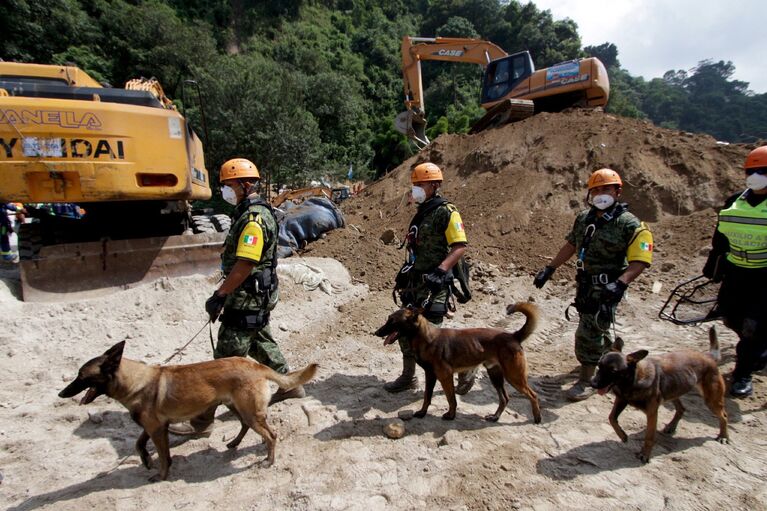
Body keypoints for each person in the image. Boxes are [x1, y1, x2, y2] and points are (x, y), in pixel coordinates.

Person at [170, 158, 302, 436]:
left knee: (222, 366)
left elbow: (245, 263)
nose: (225, 191)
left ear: (245, 185)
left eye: (229, 185)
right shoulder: (251, 212)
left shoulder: (253, 219)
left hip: (246, 296)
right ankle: (291, 385)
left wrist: (220, 294)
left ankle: (201, 421)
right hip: (257, 294)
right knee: (260, 338)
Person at [533, 168, 653, 401]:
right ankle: (613, 363)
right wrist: (550, 268)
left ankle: (587, 379)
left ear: (618, 192)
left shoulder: (629, 224)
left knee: (588, 332)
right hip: (586, 284)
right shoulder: (585, 219)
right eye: (595, 190)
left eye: (606, 189)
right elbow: (571, 245)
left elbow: (641, 259)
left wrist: (621, 284)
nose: (600, 194)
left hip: (609, 286)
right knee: (598, 326)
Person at [386, 162, 473, 393]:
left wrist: (441, 270)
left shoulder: (446, 211)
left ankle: (465, 368)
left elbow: (460, 246)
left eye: (420, 184)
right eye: (414, 184)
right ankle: (408, 376)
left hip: (435, 284)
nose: (415, 189)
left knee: (432, 338)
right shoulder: (423, 212)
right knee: (405, 331)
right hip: (415, 283)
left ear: (434, 185)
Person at [703, 146, 767, 397]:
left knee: (753, 325)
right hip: (736, 272)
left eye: (762, 171)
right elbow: (720, 237)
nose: (756, 175)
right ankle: (759, 348)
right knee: (730, 317)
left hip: (764, 276)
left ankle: (743, 374)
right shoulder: (735, 201)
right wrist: (714, 265)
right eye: (752, 170)